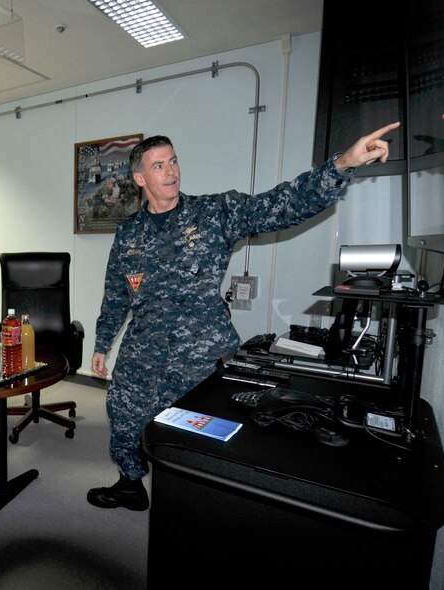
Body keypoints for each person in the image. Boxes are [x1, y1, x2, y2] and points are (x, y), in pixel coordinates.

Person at [87, 122, 401, 511]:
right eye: (158, 166)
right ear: (139, 178)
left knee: (201, 438)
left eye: (173, 161)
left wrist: (340, 165)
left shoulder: (214, 212)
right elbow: (116, 294)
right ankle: (129, 484)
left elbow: (279, 205)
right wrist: (102, 344)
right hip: (141, 353)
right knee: (124, 417)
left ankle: (196, 508)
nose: (171, 172)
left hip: (199, 357)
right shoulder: (128, 233)